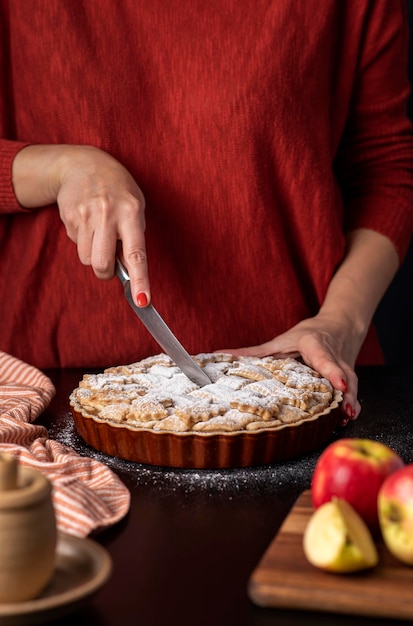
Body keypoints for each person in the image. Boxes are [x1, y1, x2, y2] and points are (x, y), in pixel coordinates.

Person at [1, 1, 413, 426]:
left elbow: (385, 171)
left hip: (302, 385)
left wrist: (338, 324)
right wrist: (58, 168)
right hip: (44, 396)